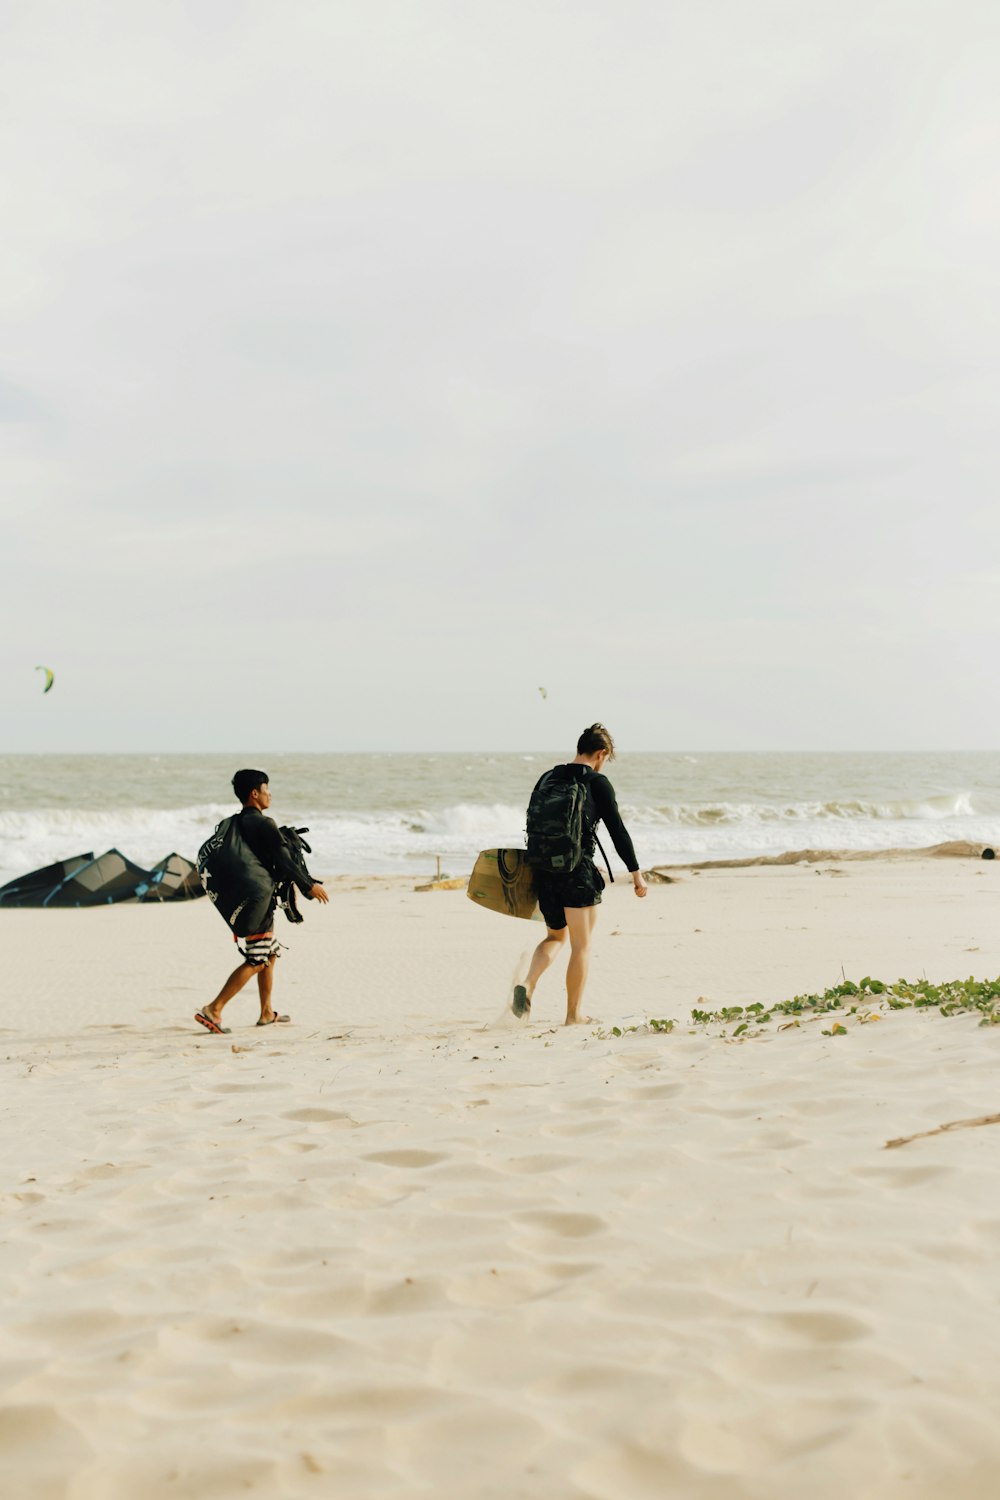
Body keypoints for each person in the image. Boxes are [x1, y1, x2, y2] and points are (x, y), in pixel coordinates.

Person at [516, 724, 646, 1025]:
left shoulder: (547, 777)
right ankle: (574, 1015)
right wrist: (636, 874)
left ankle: (528, 983)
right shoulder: (598, 782)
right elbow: (617, 831)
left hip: (544, 870)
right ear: (601, 753)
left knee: (554, 936)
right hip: (577, 873)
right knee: (582, 945)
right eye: (605, 758)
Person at [195, 769, 329, 1034]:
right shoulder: (263, 824)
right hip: (258, 898)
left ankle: (267, 1012)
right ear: (254, 793)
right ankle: (214, 1009)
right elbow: (283, 861)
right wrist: (308, 885)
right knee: (257, 959)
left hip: (248, 898)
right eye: (267, 789)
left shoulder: (236, 823)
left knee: (269, 952)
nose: (270, 794)